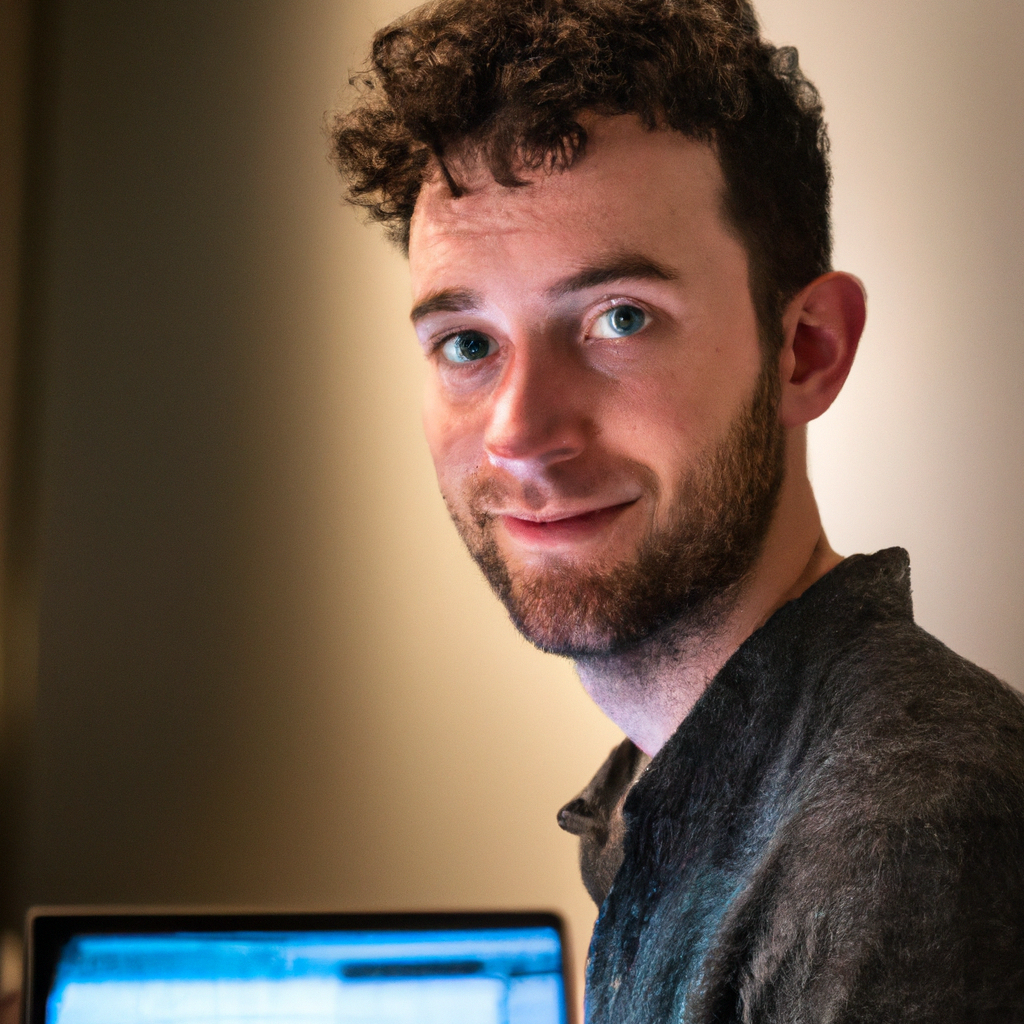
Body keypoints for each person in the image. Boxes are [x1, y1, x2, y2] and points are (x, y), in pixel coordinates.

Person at [330, 0, 1024, 1019]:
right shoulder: (688, 804)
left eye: (619, 318)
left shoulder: (902, 837)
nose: (519, 431)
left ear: (806, 350)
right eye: (468, 343)